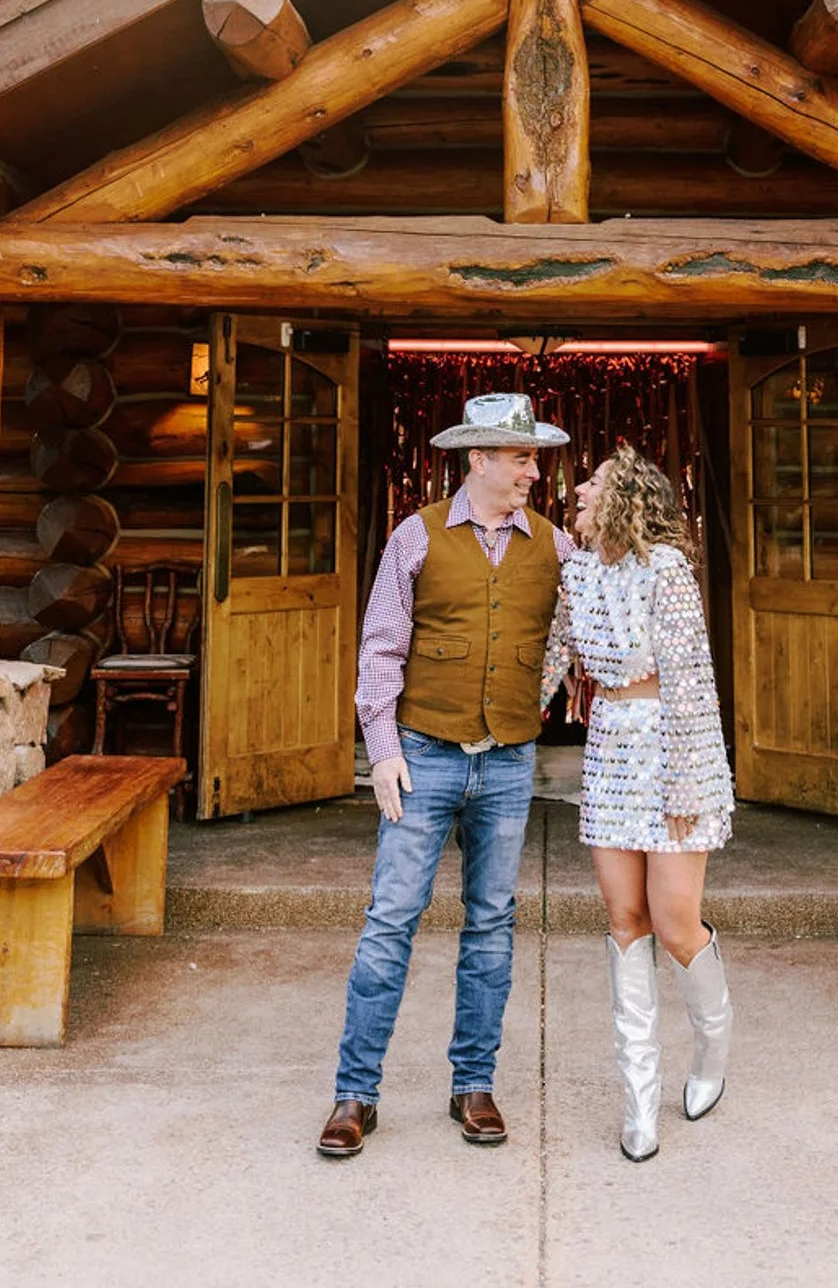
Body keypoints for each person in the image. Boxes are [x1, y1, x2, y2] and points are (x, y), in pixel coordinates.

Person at [317, 391, 577, 1159]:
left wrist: (532, 697)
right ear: (480, 459)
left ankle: (474, 1086)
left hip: (507, 761)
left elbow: (567, 637)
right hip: (422, 756)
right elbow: (380, 649)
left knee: (492, 925)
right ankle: (355, 1095)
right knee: (390, 922)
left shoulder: (556, 546)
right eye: (522, 456)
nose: (535, 470)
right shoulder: (417, 536)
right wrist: (383, 752)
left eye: (535, 457)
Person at [541, 441, 734, 1162]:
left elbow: (691, 681)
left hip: (675, 749)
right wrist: (493, 729)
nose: (580, 493)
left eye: (593, 485)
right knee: (625, 920)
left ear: (626, 499)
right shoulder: (577, 573)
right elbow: (553, 660)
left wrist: (685, 784)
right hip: (610, 754)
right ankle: (640, 1102)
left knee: (676, 922)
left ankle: (712, 1051)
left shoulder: (668, 571)